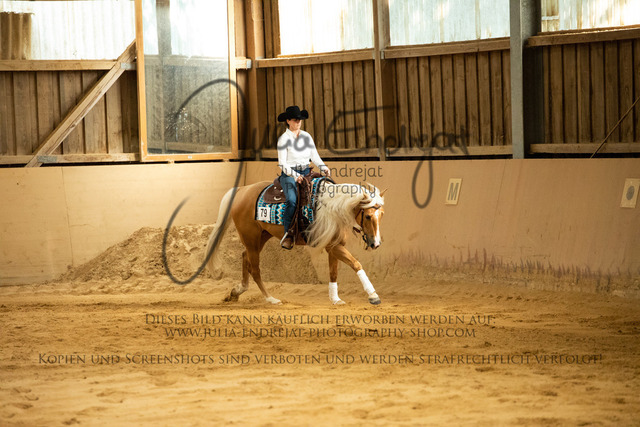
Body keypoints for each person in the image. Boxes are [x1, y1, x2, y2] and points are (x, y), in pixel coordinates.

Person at [277, 105, 330, 249]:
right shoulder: (283, 139)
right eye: (295, 120)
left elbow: (314, 156)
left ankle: (319, 229)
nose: (298, 122)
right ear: (288, 121)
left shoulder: (306, 136)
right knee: (292, 201)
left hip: (307, 172)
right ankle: (288, 234)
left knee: (323, 194)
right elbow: (282, 164)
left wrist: (323, 167)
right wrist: (295, 176)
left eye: (300, 119)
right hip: (289, 173)